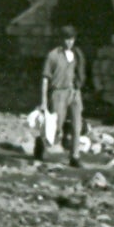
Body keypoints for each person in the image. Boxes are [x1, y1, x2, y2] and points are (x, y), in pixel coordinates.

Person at [37, 26, 87, 167]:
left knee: (77, 126)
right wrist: (43, 101)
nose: (69, 42)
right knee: (56, 127)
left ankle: (75, 156)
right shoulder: (53, 55)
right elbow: (45, 78)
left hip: (74, 92)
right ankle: (41, 143)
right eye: (66, 39)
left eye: (71, 39)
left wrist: (78, 87)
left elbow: (80, 72)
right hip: (58, 93)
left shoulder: (77, 54)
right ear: (61, 39)